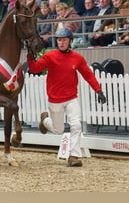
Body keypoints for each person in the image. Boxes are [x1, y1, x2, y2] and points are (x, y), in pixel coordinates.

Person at [26, 27, 107, 167]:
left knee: (76, 125)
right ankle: (45, 121)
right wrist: (30, 56)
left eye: (64, 40)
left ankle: (74, 156)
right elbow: (35, 69)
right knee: (59, 130)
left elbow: (88, 74)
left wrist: (98, 90)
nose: (61, 43)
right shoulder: (50, 56)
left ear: (70, 41)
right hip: (55, 99)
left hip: (71, 98)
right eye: (59, 40)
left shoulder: (78, 58)